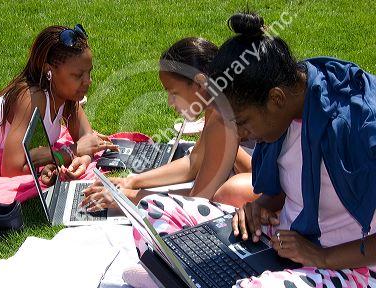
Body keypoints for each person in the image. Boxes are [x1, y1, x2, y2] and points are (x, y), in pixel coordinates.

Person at [125, 12, 376, 288]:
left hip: (350, 266)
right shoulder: (287, 105)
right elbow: (289, 189)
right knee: (153, 209)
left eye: (242, 123)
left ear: (276, 99)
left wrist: (322, 256)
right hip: (282, 244)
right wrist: (257, 207)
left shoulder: (358, 125)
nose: (241, 134)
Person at [80, 37, 257, 213]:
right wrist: (132, 182)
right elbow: (193, 163)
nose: (170, 102)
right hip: (253, 177)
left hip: (261, 193)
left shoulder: (220, 118)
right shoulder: (215, 107)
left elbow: (198, 200)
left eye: (174, 93)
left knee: (226, 192)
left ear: (200, 83)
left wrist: (129, 197)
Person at [0, 24, 117, 178]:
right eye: (78, 75)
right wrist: (70, 152)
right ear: (49, 70)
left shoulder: (67, 94)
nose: (88, 81)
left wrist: (84, 157)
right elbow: (11, 169)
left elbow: (87, 138)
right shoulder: (32, 99)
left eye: (89, 72)